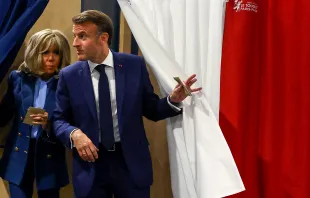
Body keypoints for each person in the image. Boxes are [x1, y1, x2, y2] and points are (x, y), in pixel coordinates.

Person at [53, 10, 201, 198]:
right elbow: (58, 119)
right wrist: (74, 134)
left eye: (82, 36)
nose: (75, 43)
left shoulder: (134, 65)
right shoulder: (69, 75)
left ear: (103, 38)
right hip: (90, 166)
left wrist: (173, 101)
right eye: (75, 36)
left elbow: (151, 108)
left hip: (130, 165)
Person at [0, 29, 71, 198]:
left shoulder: (66, 83)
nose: (51, 58)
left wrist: (49, 124)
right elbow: (3, 116)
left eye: (56, 52)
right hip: (19, 153)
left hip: (50, 154)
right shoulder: (17, 79)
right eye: (45, 52)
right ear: (34, 52)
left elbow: (72, 122)